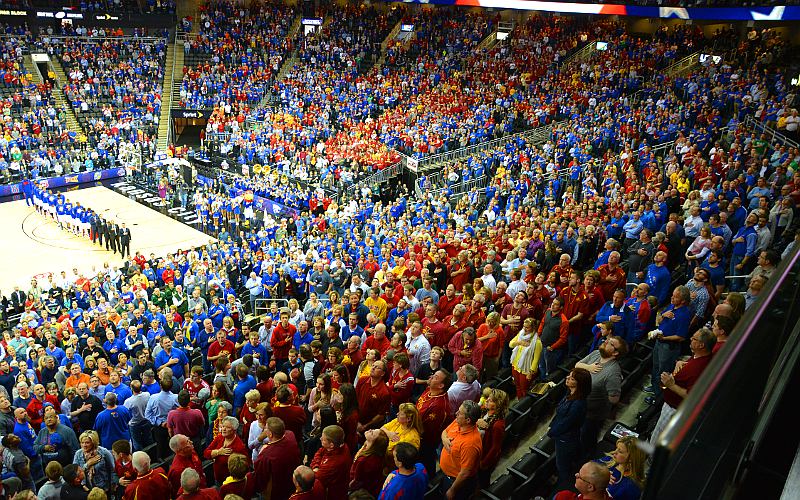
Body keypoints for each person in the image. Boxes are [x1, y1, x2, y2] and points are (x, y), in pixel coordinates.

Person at [649, 328, 716, 452]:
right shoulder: (699, 357)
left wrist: (671, 385)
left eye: (694, 338)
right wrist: (681, 363)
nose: (690, 339)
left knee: (658, 441)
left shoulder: (698, 369)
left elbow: (693, 396)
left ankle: (648, 466)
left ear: (701, 345)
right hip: (671, 404)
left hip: (673, 409)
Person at [575, 336, 627, 460]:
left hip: (591, 415)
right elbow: (577, 365)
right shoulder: (596, 353)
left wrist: (598, 395)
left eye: (611, 343)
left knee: (585, 442)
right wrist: (588, 367)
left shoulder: (613, 372)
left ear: (615, 353)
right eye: (608, 340)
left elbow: (614, 398)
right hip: (578, 405)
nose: (606, 341)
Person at [548, 368, 592, 492]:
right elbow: (560, 414)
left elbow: (565, 423)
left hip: (566, 440)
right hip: (562, 436)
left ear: (579, 384)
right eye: (569, 376)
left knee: (563, 467)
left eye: (572, 378)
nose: (567, 378)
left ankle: (562, 489)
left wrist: (551, 432)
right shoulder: (570, 393)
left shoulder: (578, 404)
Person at [647, 286, 692, 403]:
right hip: (659, 342)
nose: (672, 298)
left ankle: (659, 397)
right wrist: (663, 315)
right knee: (655, 367)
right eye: (672, 295)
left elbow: (681, 337)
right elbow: (660, 321)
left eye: (675, 297)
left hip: (669, 347)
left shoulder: (684, 314)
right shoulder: (672, 306)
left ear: (683, 300)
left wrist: (665, 338)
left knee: (663, 372)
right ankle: (654, 387)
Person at [439, 400, 482, 500]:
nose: (456, 414)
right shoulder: (458, 422)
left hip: (456, 483)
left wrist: (452, 490)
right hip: (446, 474)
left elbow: (465, 473)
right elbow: (444, 432)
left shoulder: (470, 444)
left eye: (460, 413)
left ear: (468, 420)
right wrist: (444, 440)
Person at [252, 417, 301, 500]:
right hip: (292, 484)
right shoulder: (291, 435)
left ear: (270, 434)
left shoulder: (266, 455)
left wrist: (263, 451)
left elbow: (260, 478)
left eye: (266, 429)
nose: (264, 430)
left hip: (274, 491)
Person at [476, 388, 508, 486]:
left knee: (482, 481)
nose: (487, 400)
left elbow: (495, 448)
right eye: (488, 398)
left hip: (484, 458)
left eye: (491, 400)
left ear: (498, 405)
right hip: (478, 450)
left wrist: (483, 463)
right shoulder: (485, 411)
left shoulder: (498, 424)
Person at [309, 425, 351, 500]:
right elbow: (319, 452)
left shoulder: (335, 463)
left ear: (331, 445)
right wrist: (316, 466)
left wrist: (315, 469)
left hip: (332, 494)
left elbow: (317, 478)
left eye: (323, 439)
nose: (320, 438)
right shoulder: (340, 446)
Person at [204, 416, 248, 485]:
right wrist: (218, 452)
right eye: (223, 426)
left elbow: (243, 467)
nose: (223, 429)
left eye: (227, 427)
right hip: (217, 478)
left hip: (231, 482)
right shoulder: (220, 437)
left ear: (234, 430)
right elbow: (206, 453)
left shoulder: (239, 447)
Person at [349, 428, 389, 497]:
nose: (370, 430)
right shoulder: (368, 445)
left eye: (372, 433)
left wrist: (349, 487)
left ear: (374, 442)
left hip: (363, 489)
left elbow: (357, 481)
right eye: (373, 429)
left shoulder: (365, 461)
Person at [509, 317, 542, 399]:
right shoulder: (521, 334)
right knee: (517, 386)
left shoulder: (537, 342)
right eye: (524, 326)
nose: (524, 328)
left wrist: (530, 373)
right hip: (515, 365)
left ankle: (523, 405)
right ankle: (519, 401)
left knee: (524, 389)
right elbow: (510, 344)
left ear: (533, 328)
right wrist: (519, 342)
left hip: (526, 370)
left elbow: (536, 360)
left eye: (527, 327)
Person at [355, 360, 390, 433]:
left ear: (383, 373)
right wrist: (356, 420)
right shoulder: (362, 380)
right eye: (373, 365)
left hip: (370, 428)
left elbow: (381, 415)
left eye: (377, 367)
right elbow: (354, 400)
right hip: (356, 420)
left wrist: (365, 426)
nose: (373, 368)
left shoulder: (384, 392)